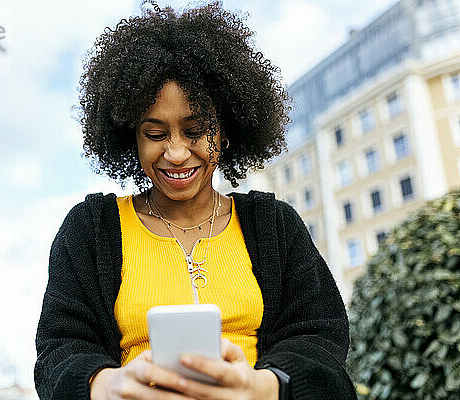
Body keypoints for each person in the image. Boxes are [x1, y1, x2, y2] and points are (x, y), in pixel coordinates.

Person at [34, 2, 357, 399]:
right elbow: (57, 352)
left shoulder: (275, 225)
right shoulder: (91, 229)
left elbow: (321, 344)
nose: (176, 153)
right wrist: (107, 385)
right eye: (154, 134)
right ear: (130, 139)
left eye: (195, 130)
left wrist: (261, 387)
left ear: (224, 131)